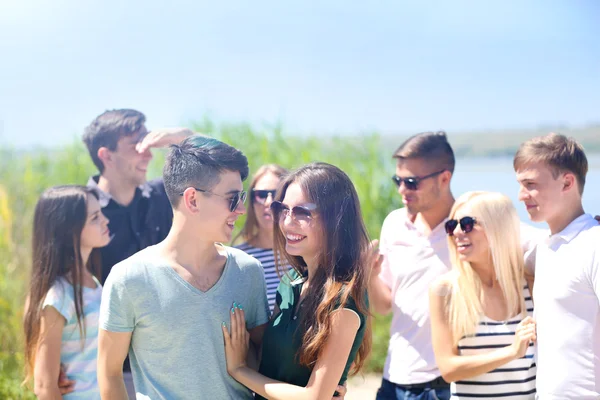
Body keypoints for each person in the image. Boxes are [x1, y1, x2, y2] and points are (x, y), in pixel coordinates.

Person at [97, 136, 270, 399]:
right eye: (233, 199)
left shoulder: (249, 272)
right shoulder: (129, 278)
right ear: (192, 200)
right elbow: (110, 373)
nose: (242, 210)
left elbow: (269, 360)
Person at [221, 162, 372, 399]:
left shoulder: (343, 299)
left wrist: (239, 371)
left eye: (302, 212)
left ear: (336, 219)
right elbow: (269, 360)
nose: (287, 222)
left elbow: (315, 397)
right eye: (283, 209)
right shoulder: (291, 282)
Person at [82, 108, 193, 397]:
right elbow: (53, 279)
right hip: (104, 367)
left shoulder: (161, 196)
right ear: (106, 155)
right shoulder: (82, 211)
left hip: (166, 360)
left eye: (149, 144)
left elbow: (212, 166)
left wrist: (181, 138)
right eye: (137, 146)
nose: (149, 154)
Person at [514, 133, 600, 399]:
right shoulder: (544, 247)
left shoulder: (594, 244)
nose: (521, 195)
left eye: (530, 184)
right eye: (519, 184)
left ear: (567, 183)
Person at [429, 191, 536, 399]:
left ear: (499, 227)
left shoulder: (530, 283)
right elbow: (448, 369)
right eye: (452, 226)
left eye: (468, 223)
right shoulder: (445, 290)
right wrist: (511, 352)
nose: (457, 232)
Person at [23, 185, 110, 399]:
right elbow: (44, 385)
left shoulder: (93, 282)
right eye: (94, 218)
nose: (105, 220)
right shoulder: (60, 295)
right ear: (69, 229)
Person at [234, 164, 289, 313]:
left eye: (277, 194)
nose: (269, 202)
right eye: (261, 195)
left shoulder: (303, 255)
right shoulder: (235, 259)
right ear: (251, 201)